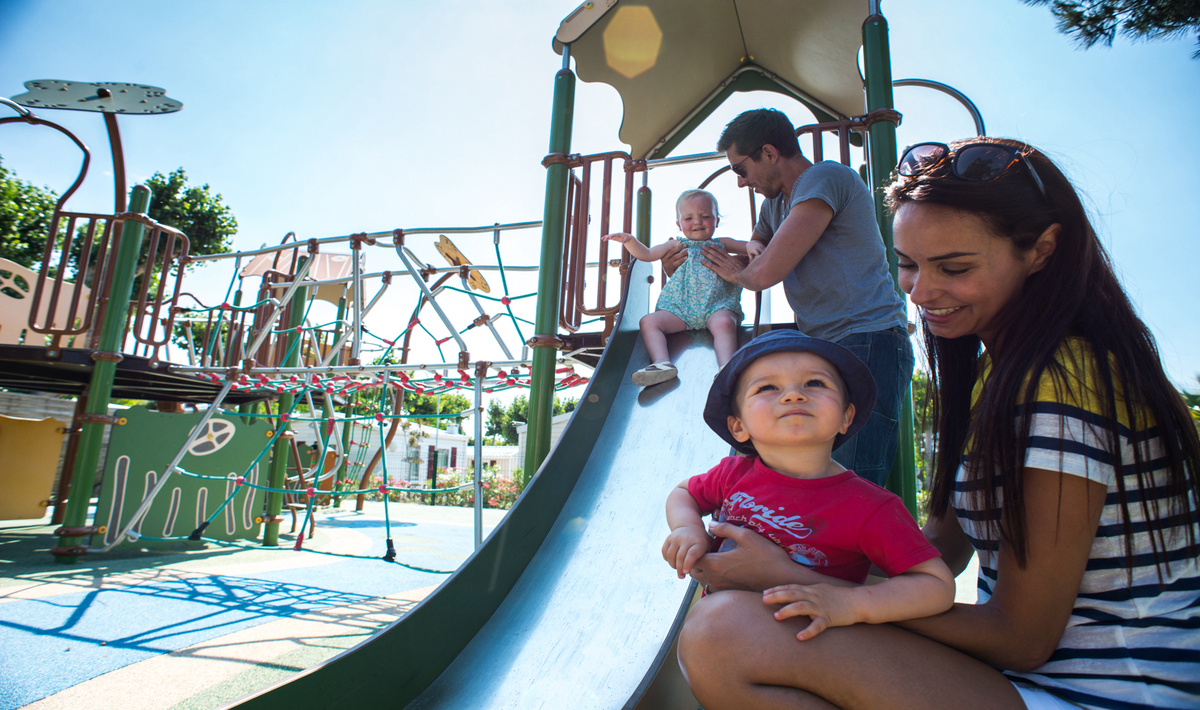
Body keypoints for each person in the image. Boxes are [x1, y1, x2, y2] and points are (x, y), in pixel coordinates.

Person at [675, 138, 1200, 710]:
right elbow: (940, 553)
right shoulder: (992, 374)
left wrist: (795, 580)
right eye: (906, 265)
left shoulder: (1064, 376)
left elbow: (1022, 639)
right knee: (736, 621)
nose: (920, 292)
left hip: (1111, 690)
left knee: (726, 634)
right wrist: (792, 543)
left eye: (954, 267)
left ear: (1042, 249)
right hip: (1022, 677)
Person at [663, 330, 954, 641]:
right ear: (739, 426)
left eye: (815, 383)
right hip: (729, 634)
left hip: (813, 643)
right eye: (767, 387)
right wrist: (686, 528)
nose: (793, 395)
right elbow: (684, 493)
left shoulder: (868, 506)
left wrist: (852, 603)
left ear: (846, 416)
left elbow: (936, 585)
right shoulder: (731, 474)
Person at [692, 108, 913, 487]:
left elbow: (763, 274)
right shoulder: (774, 204)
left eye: (740, 170)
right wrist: (757, 245)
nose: (742, 183)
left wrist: (736, 271)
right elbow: (758, 240)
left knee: (850, 479)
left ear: (769, 152)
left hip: (867, 338)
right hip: (825, 344)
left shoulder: (824, 178)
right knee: (798, 471)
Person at [603, 189, 760, 386]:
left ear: (717, 220)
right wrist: (630, 241)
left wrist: (752, 246)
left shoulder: (722, 244)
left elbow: (744, 245)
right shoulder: (675, 245)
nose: (697, 222)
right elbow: (647, 254)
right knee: (649, 322)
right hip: (680, 310)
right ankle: (662, 364)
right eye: (688, 218)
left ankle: (726, 369)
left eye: (705, 216)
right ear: (679, 225)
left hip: (715, 306)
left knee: (725, 324)